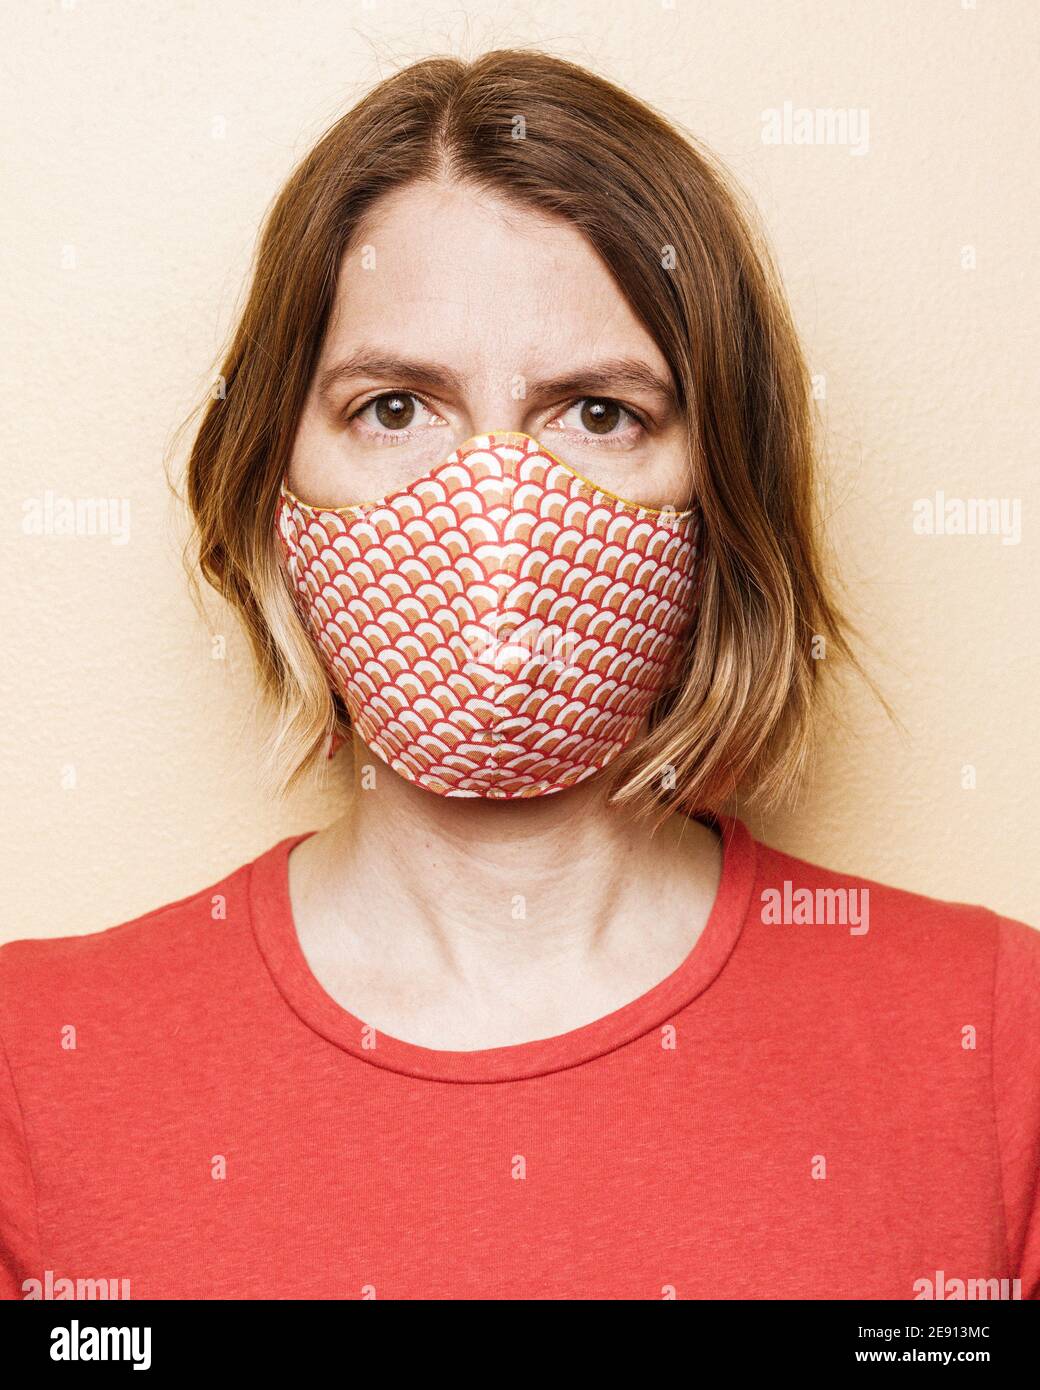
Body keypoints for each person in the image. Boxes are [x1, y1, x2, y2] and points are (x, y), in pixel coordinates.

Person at [2, 50, 1036, 1302]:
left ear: (720, 494)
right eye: (393, 408)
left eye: (597, 413)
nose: (496, 509)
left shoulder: (990, 1041)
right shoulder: (38, 1067)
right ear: (275, 486)